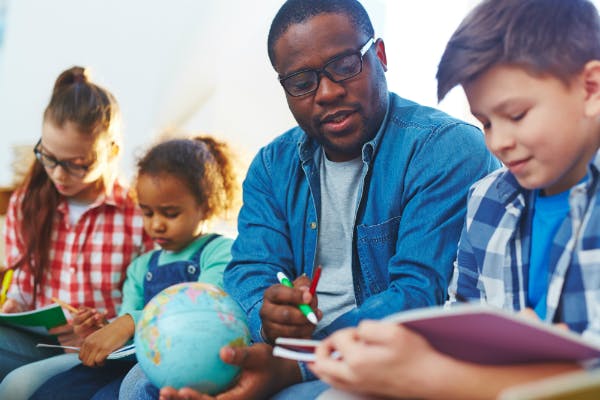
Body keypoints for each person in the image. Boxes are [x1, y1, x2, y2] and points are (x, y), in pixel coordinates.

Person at [157, 1, 500, 399]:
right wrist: (269, 318)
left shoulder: (444, 149)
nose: (328, 92)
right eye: (302, 82)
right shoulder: (272, 166)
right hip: (284, 354)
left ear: (381, 56)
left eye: (344, 65)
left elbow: (419, 295)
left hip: (381, 362)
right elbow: (249, 271)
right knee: (143, 386)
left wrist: (298, 362)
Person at [307, 0, 600, 398]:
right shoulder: (489, 202)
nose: (498, 142)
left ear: (590, 88)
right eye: (486, 122)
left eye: (515, 115)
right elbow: (462, 322)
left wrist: (428, 376)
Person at [28, 136, 241, 399]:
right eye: (148, 213)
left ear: (206, 206)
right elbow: (126, 331)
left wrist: (128, 324)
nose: (156, 225)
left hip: (181, 365)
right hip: (128, 362)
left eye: (170, 213)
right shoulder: (141, 267)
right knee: (54, 393)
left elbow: (205, 306)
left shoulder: (219, 251)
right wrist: (104, 329)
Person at [0, 66, 153, 398]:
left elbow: (149, 298)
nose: (58, 173)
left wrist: (106, 325)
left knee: (17, 387)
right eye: (49, 157)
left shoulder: (139, 213)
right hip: (39, 342)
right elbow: (23, 287)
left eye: (75, 163)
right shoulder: (27, 203)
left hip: (100, 352)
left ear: (112, 151)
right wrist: (13, 306)